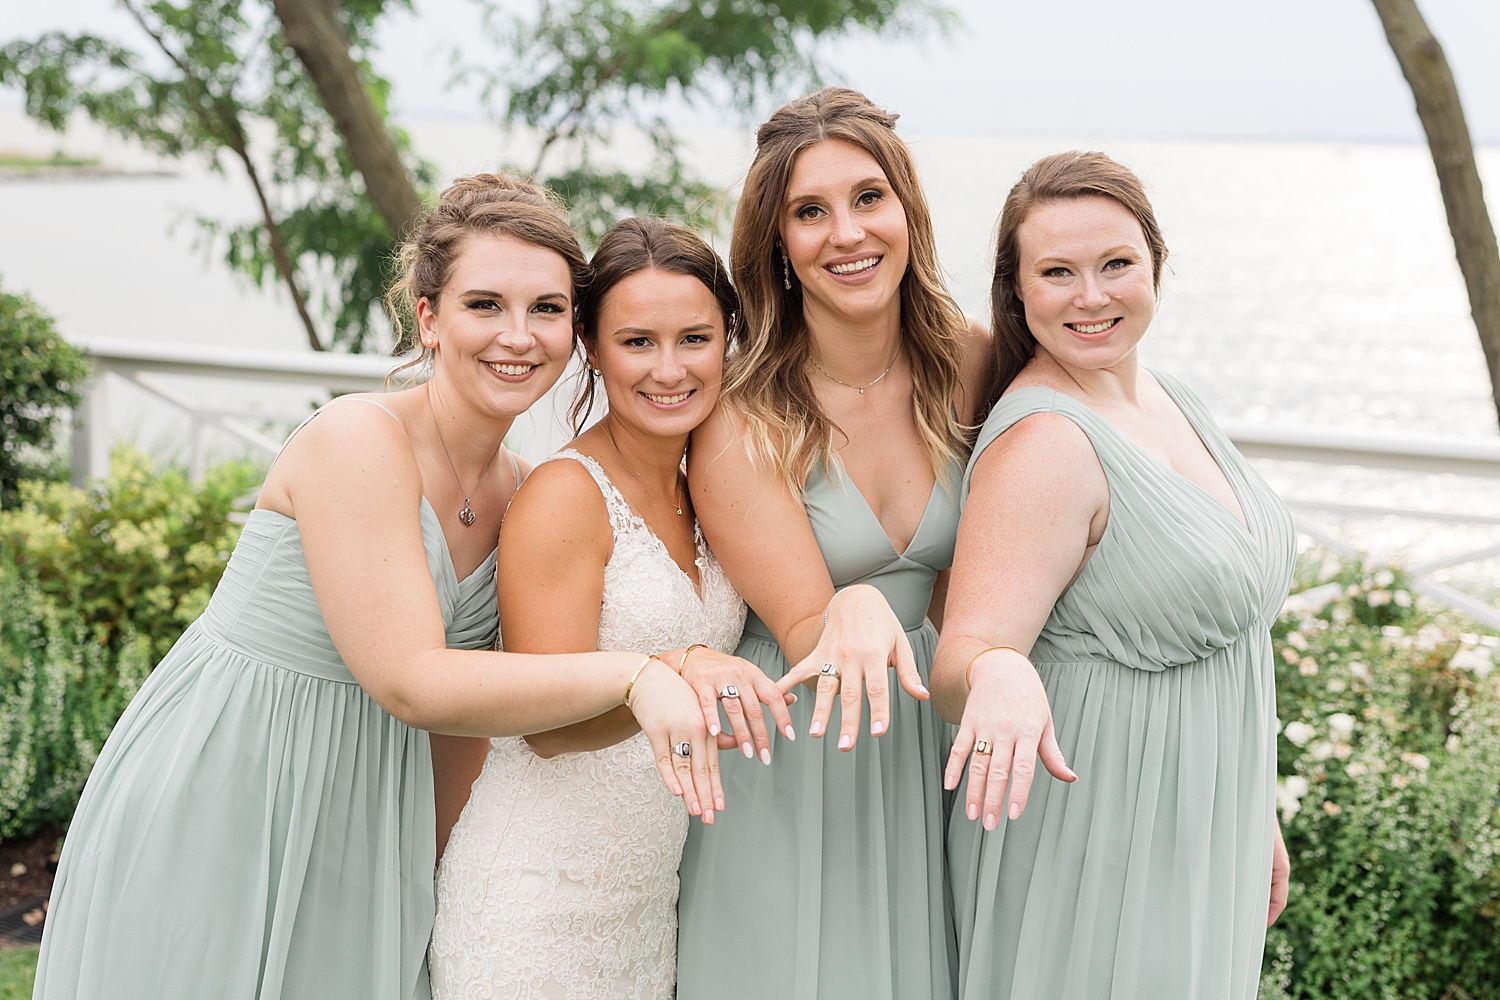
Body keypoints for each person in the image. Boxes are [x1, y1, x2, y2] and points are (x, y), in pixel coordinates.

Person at [33, 176, 729, 1000]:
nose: (518, 335)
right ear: (428, 318)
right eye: (484, 305)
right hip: (240, 783)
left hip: (373, 804)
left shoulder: (522, 486)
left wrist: (449, 894)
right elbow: (412, 679)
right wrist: (642, 671)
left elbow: (469, 719)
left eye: (546, 309)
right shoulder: (356, 439)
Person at [932, 151, 1294, 999]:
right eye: (1056, 272)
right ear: (1017, 293)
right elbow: (965, 654)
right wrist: (996, 670)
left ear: (1156, 267)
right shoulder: (1046, 443)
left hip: (1197, 816)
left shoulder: (1168, 396)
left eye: (1116, 264)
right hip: (1098, 834)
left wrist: (1248, 803)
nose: (1091, 296)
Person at [677, 87, 988, 1000]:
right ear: (777, 242)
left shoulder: (970, 363)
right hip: (802, 744)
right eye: (809, 212)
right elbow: (811, 621)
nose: (845, 233)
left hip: (931, 734)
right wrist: (854, 604)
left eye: (867, 198)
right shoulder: (744, 412)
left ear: (907, 211)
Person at [429, 217, 790, 999]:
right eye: (637, 342)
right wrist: (670, 669)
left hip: (642, 900)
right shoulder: (565, 495)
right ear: (592, 345)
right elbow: (549, 730)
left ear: (727, 341)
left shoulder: (711, 491)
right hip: (536, 895)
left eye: (694, 339)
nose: (669, 370)